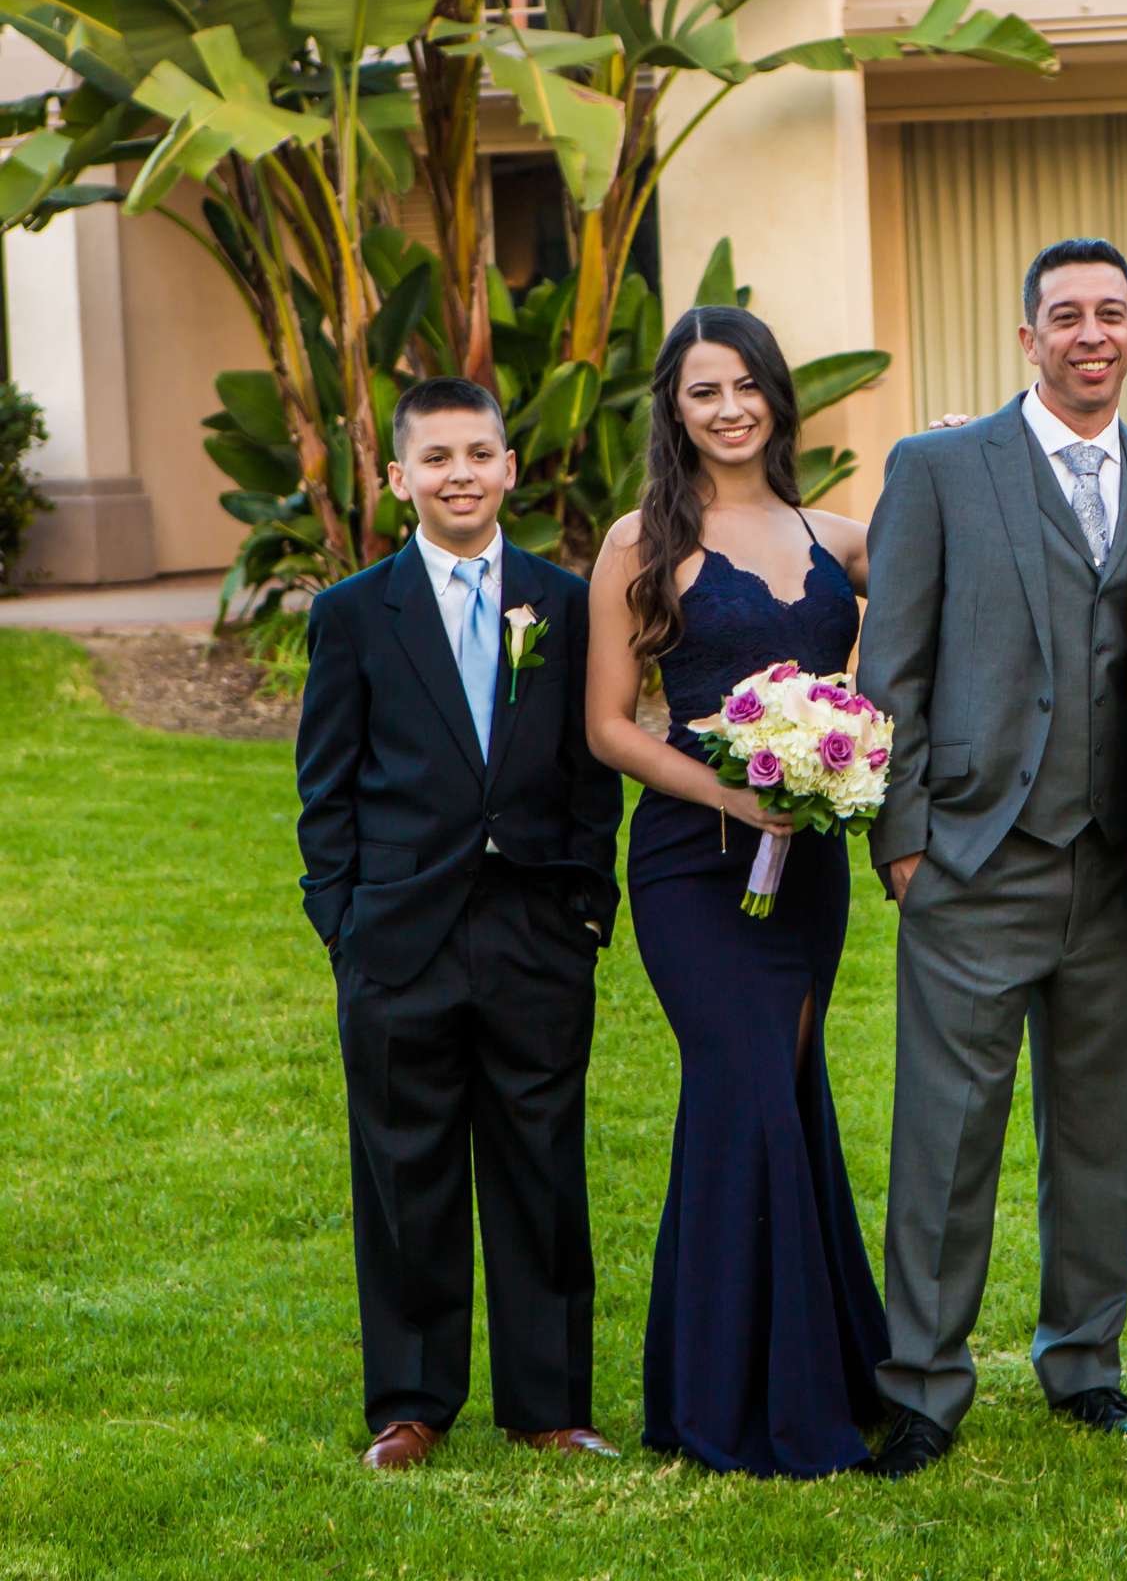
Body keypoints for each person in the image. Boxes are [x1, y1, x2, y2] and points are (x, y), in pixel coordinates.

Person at [856, 238, 1127, 1479]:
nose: (1089, 333)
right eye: (1064, 315)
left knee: (1101, 1134)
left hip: (1112, 870)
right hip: (972, 857)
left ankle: (1086, 1365)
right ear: (1028, 338)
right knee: (948, 1134)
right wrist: (906, 843)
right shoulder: (937, 469)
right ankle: (922, 1386)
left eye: (1110, 314)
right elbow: (893, 669)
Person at [294, 377, 624, 1470]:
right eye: (435, 458)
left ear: (510, 468)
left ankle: (548, 1402)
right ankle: (412, 1399)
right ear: (398, 479)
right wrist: (344, 923)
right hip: (398, 935)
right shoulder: (354, 612)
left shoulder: (563, 603)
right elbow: (326, 787)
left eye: (479, 453)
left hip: (534, 927)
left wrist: (585, 905)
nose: (460, 474)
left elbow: (590, 769)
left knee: (540, 1163)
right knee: (404, 1167)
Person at [584, 306, 889, 1479]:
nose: (728, 408)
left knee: (786, 1093)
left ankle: (788, 1377)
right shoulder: (639, 542)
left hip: (808, 861)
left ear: (776, 396)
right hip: (689, 864)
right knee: (745, 1086)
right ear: (673, 407)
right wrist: (729, 794)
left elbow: (963, 549)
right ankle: (732, 1407)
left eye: (746, 385)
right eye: (703, 390)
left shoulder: (842, 537)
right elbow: (611, 725)